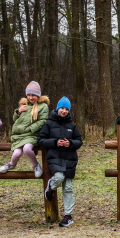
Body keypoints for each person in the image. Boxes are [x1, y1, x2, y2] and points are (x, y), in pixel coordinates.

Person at [38, 96, 83, 227]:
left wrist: (70, 143)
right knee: (58, 177)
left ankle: (68, 216)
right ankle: (51, 187)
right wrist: (55, 142)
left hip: (70, 159)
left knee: (68, 188)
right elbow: (41, 140)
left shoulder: (72, 126)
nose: (64, 111)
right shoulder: (49, 124)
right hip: (55, 158)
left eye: (66, 109)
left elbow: (79, 141)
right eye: (62, 108)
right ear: (57, 109)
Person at [1, 81, 49, 178]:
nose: (31, 97)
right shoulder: (23, 104)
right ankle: (12, 164)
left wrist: (31, 129)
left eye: (33, 95)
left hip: (32, 134)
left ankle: (36, 165)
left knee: (27, 149)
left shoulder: (43, 106)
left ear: (38, 95)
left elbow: (43, 121)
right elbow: (15, 119)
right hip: (19, 135)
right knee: (16, 153)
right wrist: (19, 111)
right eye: (29, 95)